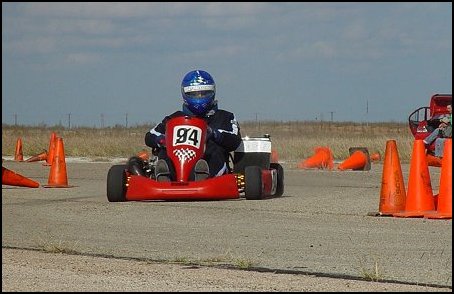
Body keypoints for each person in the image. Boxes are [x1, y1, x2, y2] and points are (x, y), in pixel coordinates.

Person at [140, 69, 242, 181]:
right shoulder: (174, 118)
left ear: (212, 92)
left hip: (211, 164)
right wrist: (161, 140)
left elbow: (235, 140)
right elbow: (150, 135)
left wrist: (215, 134)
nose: (199, 97)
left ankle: (203, 175)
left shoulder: (225, 117)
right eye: (194, 94)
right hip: (178, 163)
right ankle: (165, 175)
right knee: (165, 150)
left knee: (212, 148)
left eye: (204, 93)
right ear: (185, 94)